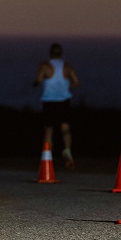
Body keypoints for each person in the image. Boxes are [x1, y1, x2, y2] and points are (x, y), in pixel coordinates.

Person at [33, 42, 81, 170]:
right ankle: (67, 152)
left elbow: (37, 80)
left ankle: (47, 157)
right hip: (64, 102)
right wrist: (67, 87)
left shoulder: (45, 66)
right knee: (65, 128)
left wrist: (37, 82)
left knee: (49, 131)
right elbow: (76, 82)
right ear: (61, 53)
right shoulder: (67, 67)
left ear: (50, 53)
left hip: (49, 102)